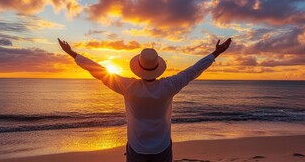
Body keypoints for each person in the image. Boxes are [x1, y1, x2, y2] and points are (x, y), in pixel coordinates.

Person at [58, 37, 232, 162]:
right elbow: (193, 71)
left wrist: (73, 53)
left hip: (137, 147)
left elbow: (99, 71)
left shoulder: (128, 87)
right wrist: (216, 53)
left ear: (138, 68)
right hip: (162, 147)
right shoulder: (169, 86)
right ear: (157, 68)